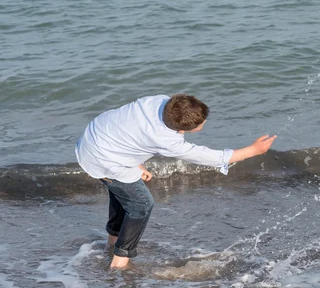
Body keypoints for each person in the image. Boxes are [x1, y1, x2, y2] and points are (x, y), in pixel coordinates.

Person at [75, 94, 277, 268]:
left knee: (123, 195)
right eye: (201, 123)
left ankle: (111, 243)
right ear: (181, 131)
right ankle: (120, 261)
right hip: (103, 160)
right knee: (141, 204)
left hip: (95, 136)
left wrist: (136, 164)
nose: (204, 122)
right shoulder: (167, 141)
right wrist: (252, 151)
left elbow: (130, 131)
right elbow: (206, 156)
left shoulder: (158, 101)